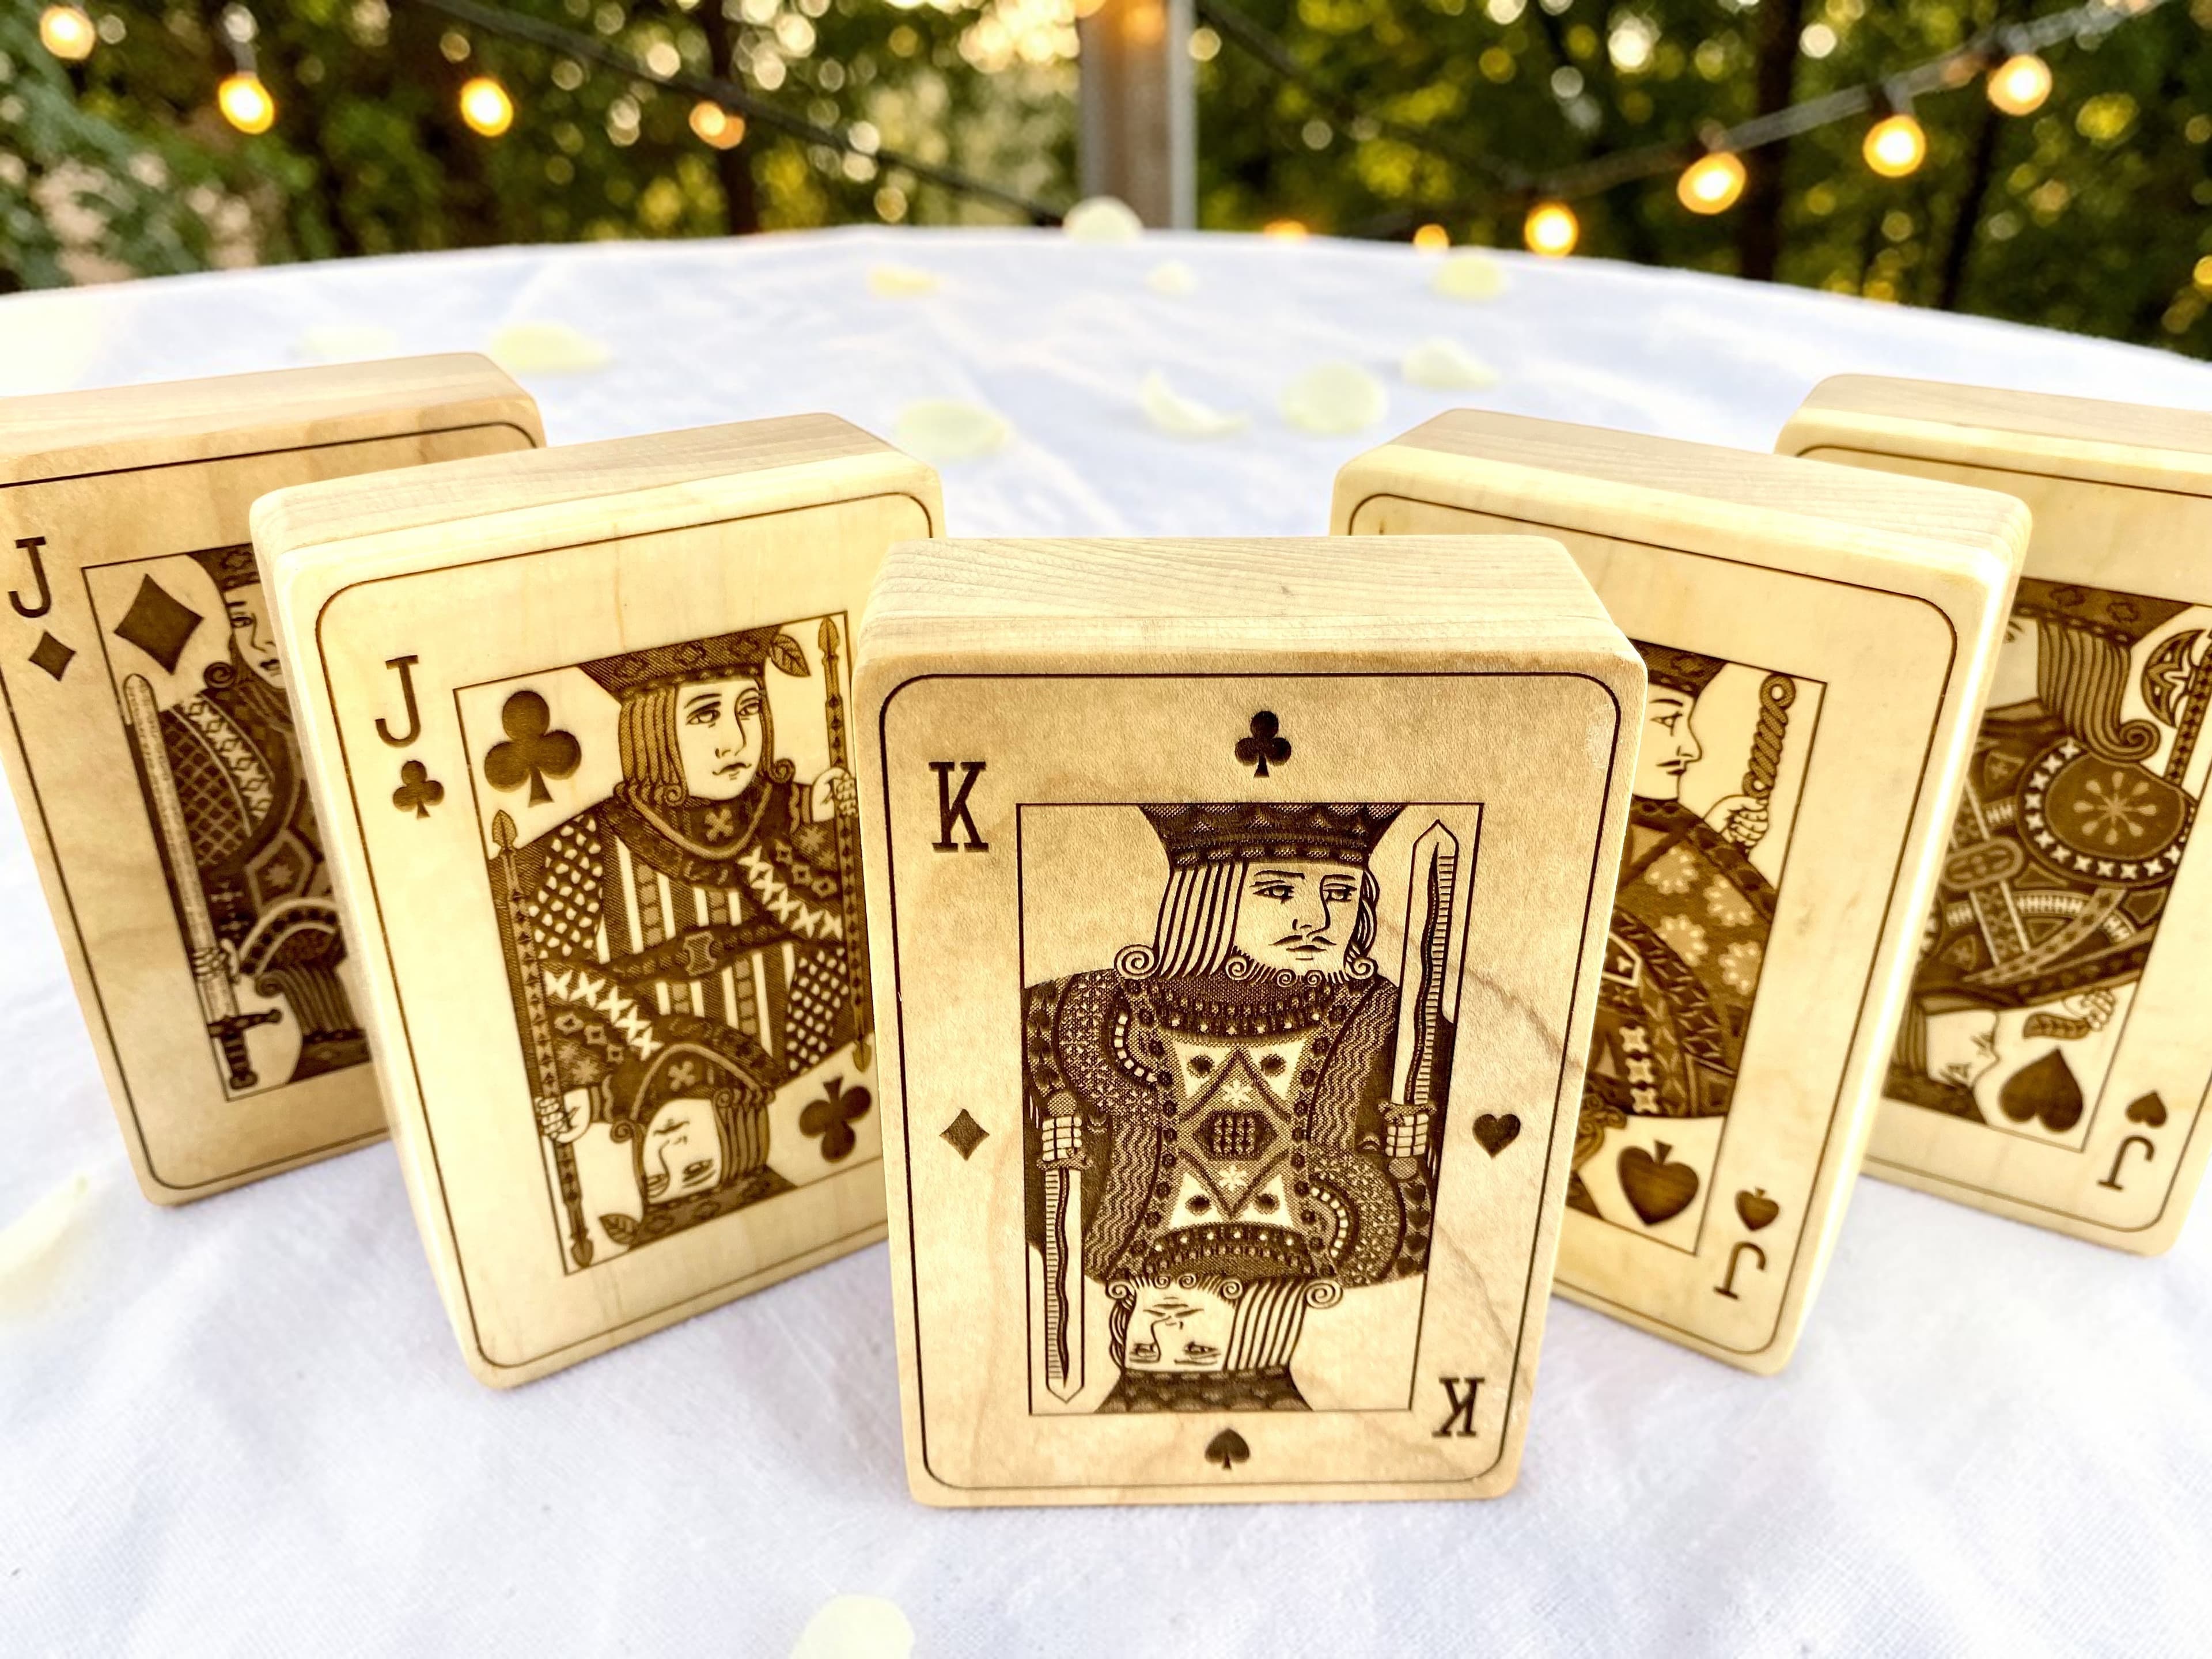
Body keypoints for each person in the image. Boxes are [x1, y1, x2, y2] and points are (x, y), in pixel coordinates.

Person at [1021, 801, 1444, 1412]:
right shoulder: (1080, 1007)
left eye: (1340, 892)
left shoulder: (1385, 1020)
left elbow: (1430, 1217)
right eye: (1278, 890)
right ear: (1206, 898)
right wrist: (1053, 1153)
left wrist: (1410, 1157)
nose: (1316, 918)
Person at [494, 624, 864, 1253]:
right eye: (704, 715)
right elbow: (539, 981)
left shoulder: (804, 811)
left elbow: (853, 948)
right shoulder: (581, 850)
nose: (735, 741)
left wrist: (840, 833)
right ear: (651, 730)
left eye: (750, 708)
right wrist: (574, 1088)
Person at [1889, 579, 2196, 1130]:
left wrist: (2073, 995)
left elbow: (2159, 903)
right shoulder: (1909, 738)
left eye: (2005, 633)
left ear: (2072, 656)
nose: (1981, 644)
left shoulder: (2112, 791)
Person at [139, 545, 362, 1085]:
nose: (263, 640)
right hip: (298, 993)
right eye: (242, 621)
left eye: (274, 611)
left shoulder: (365, 696)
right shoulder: (199, 737)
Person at [1571, 643, 1779, 1220]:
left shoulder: (1670, 833)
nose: (1691, 748)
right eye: (1666, 720)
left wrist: (1723, 843)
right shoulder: (1561, 832)